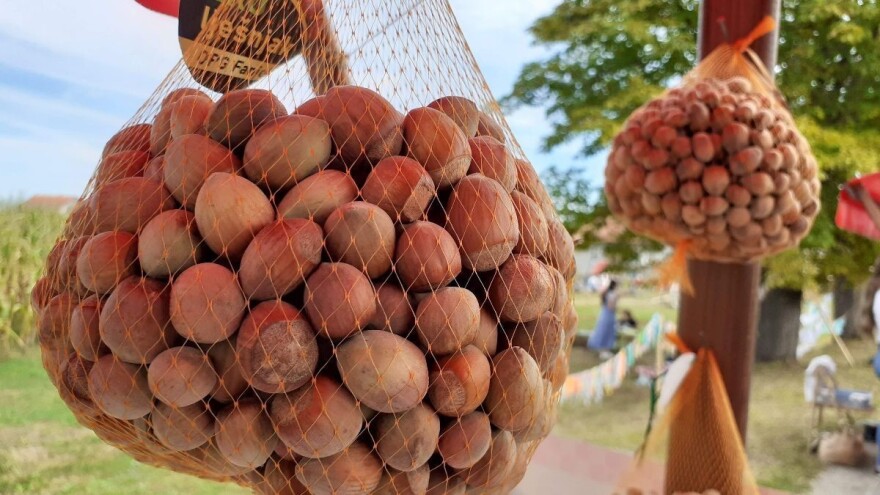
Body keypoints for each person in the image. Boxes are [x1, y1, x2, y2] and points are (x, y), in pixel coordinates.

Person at [588, 279, 619, 359]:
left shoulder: (606, 293)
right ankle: (605, 349)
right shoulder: (612, 294)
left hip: (603, 314)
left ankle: (602, 349)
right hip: (609, 314)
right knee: (607, 331)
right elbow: (611, 306)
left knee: (602, 330)